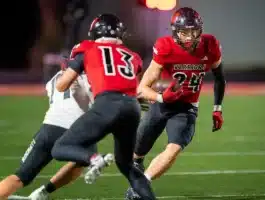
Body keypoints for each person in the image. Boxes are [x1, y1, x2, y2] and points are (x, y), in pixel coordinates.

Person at [51, 14, 156, 200]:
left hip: (107, 104)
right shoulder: (133, 56)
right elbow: (134, 87)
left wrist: (70, 68)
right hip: (132, 108)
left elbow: (61, 85)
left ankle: (94, 159)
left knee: (60, 147)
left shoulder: (87, 49)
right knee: (127, 166)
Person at [126, 7, 226, 199]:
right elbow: (142, 88)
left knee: (174, 148)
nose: (189, 37)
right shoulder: (165, 47)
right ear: (175, 32)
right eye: (184, 32)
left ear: (200, 30)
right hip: (162, 104)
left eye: (193, 31)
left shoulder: (210, 45)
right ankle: (138, 165)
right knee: (136, 155)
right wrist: (162, 97)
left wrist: (217, 108)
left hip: (186, 108)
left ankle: (140, 186)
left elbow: (220, 78)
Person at [0, 65, 111, 200]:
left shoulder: (52, 80)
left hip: (49, 128)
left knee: (20, 177)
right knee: (84, 159)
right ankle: (45, 191)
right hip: (76, 130)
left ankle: (43, 192)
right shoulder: (88, 77)